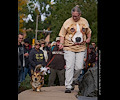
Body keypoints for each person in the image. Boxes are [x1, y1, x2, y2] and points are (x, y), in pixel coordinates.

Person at [59, 5, 92, 93]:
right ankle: (68, 86)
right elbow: (62, 34)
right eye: (73, 16)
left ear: (80, 14)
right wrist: (61, 43)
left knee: (79, 67)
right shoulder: (67, 22)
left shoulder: (84, 21)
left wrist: (88, 39)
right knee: (69, 66)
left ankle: (73, 80)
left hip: (81, 47)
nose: (74, 17)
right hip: (69, 47)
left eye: (76, 16)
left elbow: (89, 32)